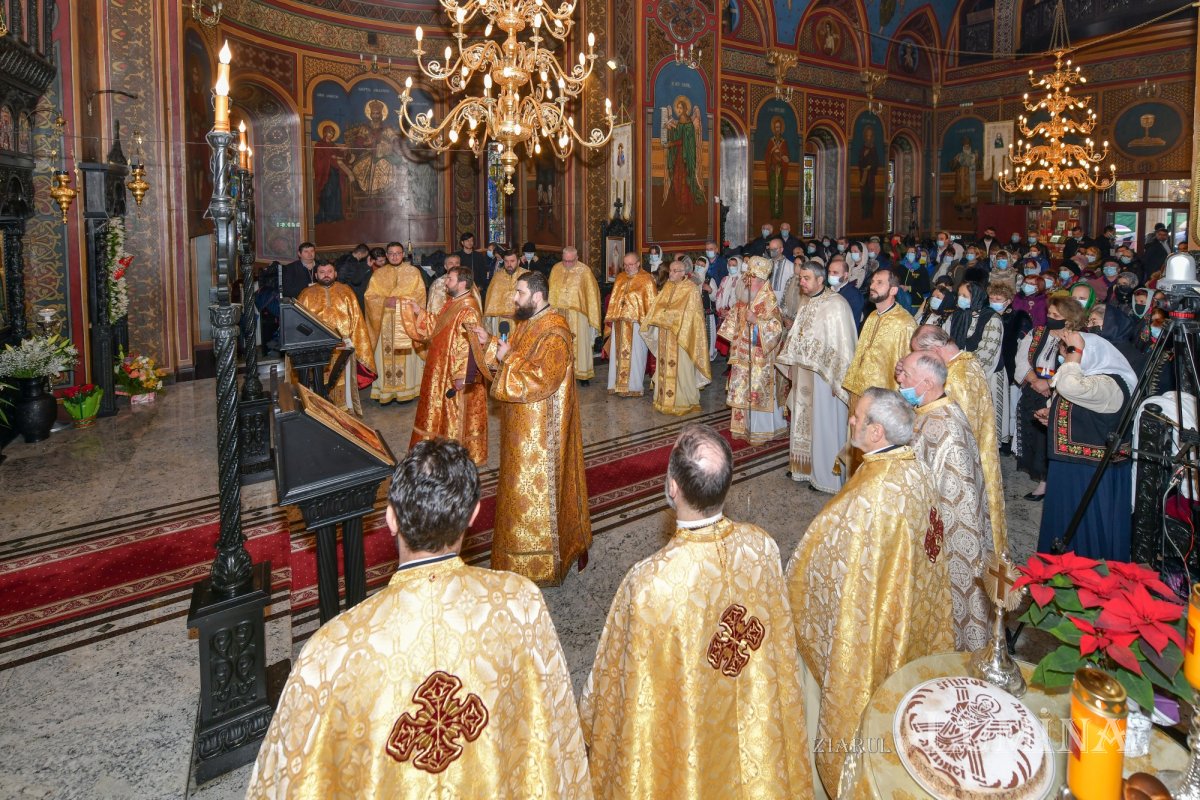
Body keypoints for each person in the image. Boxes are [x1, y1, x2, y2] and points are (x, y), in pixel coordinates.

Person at [245, 439, 592, 799]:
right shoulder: (522, 604)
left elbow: (288, 780)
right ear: (473, 515)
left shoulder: (333, 650)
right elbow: (557, 738)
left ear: (391, 518)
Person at [580, 424, 813, 798]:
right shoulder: (763, 546)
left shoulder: (650, 582)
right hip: (755, 719)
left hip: (689, 729)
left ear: (672, 487)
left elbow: (615, 682)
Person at [786, 388, 953, 796]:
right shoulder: (912, 467)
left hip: (872, 622)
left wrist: (790, 581)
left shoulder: (871, 498)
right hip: (907, 608)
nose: (851, 420)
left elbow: (823, 561)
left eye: (858, 417)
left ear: (877, 433)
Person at [473, 271, 591, 586]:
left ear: (537, 296)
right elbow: (509, 361)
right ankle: (513, 557)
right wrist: (490, 344)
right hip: (520, 429)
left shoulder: (555, 332)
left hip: (542, 437)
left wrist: (506, 355)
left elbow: (541, 379)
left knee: (536, 498)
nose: (514, 298)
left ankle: (539, 564)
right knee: (515, 492)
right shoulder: (527, 323)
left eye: (520, 292)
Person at [896, 352, 993, 651]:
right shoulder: (928, 411)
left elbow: (953, 501)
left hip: (946, 540)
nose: (900, 379)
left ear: (926, 383)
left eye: (906, 376)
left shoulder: (946, 427)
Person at [1035, 331, 1137, 561]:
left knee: (1085, 529)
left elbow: (1070, 387)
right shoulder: (1091, 378)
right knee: (1063, 521)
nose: (1068, 358)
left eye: (1071, 352)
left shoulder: (1111, 384)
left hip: (1091, 472)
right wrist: (1053, 416)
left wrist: (1075, 354)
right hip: (1071, 466)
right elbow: (1078, 403)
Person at [910, 325, 1008, 556]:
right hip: (982, 453)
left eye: (923, 355)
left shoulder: (953, 378)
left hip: (958, 464)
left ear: (935, 349)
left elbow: (940, 425)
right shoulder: (968, 360)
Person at [777, 260, 857, 492]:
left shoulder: (837, 305)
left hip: (824, 378)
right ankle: (802, 468)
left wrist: (841, 379)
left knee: (823, 425)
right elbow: (797, 337)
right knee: (803, 422)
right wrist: (791, 364)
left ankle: (826, 477)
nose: (801, 282)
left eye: (806, 278)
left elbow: (844, 347)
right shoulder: (806, 302)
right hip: (803, 373)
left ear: (820, 280)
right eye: (801, 278)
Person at [401, 267, 489, 465]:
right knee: (440, 412)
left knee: (455, 414)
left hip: (453, 373)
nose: (445, 282)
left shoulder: (469, 309)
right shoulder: (453, 302)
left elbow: (470, 344)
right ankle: (437, 451)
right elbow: (437, 325)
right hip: (440, 368)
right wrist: (419, 312)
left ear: (462, 283)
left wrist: (462, 375)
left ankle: (454, 457)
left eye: (450, 279)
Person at [1014, 294, 1086, 500]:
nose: (1050, 317)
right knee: (1034, 437)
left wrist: (1050, 384)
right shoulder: (1037, 334)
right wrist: (1035, 380)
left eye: (1056, 315)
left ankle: (1049, 482)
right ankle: (1041, 477)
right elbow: (1021, 359)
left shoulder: (1076, 339)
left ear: (1069, 319)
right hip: (1033, 390)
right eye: (1049, 313)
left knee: (1050, 439)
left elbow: (1076, 367)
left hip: (1060, 395)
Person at [718, 255, 788, 444]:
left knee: (757, 391)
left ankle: (762, 430)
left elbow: (776, 331)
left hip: (760, 360)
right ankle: (744, 427)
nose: (746, 282)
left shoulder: (769, 302)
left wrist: (756, 321)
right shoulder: (743, 300)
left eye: (751, 279)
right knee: (742, 390)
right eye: (746, 278)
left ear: (762, 281)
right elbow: (730, 327)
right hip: (742, 358)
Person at [296, 260, 376, 416]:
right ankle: (320, 410)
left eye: (329, 271)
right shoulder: (306, 294)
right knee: (318, 381)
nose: (326, 275)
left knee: (343, 384)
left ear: (335, 273)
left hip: (343, 346)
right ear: (316, 274)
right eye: (322, 272)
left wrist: (355, 343)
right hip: (317, 347)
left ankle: (344, 412)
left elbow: (357, 319)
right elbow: (300, 323)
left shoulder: (346, 291)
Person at [640, 260, 711, 416]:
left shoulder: (691, 289)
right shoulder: (668, 286)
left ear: (683, 273)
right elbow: (657, 307)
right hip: (665, 336)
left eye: (674, 271)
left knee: (681, 369)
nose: (670, 273)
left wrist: (667, 318)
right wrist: (658, 317)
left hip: (682, 338)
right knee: (664, 366)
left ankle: (683, 400)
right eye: (670, 270)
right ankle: (663, 400)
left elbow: (692, 315)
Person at [365, 242, 427, 404]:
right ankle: (386, 393)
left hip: (405, 321)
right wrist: (385, 301)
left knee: (406, 358)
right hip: (384, 321)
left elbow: (420, 295)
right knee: (384, 357)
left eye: (397, 253)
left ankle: (406, 391)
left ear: (403, 254)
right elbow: (369, 297)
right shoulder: (378, 274)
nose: (394, 256)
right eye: (391, 253)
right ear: (386, 255)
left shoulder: (413, 272)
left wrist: (400, 301)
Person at [843, 267, 916, 403]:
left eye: (879, 283)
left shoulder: (905, 323)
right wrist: (850, 383)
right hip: (858, 391)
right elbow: (860, 352)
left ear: (893, 290)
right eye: (872, 282)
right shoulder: (872, 316)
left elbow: (909, 366)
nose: (872, 286)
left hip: (883, 400)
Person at [604, 252, 657, 397]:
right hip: (620, 323)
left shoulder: (647, 280)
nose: (627, 267)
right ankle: (616, 385)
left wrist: (644, 320)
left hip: (636, 325)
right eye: (625, 264)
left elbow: (652, 304)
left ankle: (633, 387)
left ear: (638, 263)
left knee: (635, 357)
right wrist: (612, 318)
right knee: (617, 356)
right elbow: (615, 300)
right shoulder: (620, 278)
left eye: (631, 264)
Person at [989, 281, 1033, 454]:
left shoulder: (1019, 317)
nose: (994, 301)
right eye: (991, 298)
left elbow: (1024, 345)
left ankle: (1007, 440)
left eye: (998, 299)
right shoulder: (987, 315)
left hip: (1011, 366)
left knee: (1010, 406)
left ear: (1008, 300)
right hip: (994, 367)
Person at [549, 246, 602, 384]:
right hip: (559, 313)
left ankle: (582, 375)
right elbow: (551, 292)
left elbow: (592, 294)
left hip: (579, 315)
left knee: (580, 345)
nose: (567, 264)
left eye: (571, 261)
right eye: (565, 260)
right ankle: (559, 373)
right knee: (559, 343)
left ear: (577, 258)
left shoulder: (585, 271)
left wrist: (592, 316)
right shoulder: (556, 269)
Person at [945, 280, 1003, 372]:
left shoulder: (991, 318)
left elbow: (987, 352)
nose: (960, 298)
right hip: (955, 367)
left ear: (977, 296)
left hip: (979, 372)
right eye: (959, 295)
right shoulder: (956, 315)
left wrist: (964, 368)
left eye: (964, 296)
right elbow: (946, 340)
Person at [483, 249, 528, 335]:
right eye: (506, 261)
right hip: (500, 321)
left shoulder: (527, 276)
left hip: (521, 321)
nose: (509, 264)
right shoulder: (497, 276)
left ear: (518, 261)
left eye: (512, 261)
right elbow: (490, 302)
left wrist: (518, 315)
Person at [826, 257, 864, 328]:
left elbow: (852, 324)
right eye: (829, 272)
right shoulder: (827, 290)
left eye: (835, 272)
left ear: (845, 275)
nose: (831, 275)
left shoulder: (854, 295)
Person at [336, 243, 372, 311]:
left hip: (344, 291)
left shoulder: (343, 257)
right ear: (359, 254)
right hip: (350, 292)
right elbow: (354, 280)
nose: (365, 257)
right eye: (365, 255)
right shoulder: (351, 262)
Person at [455, 232, 491, 298]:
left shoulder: (479, 256)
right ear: (462, 242)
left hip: (477, 288)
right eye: (467, 240)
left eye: (471, 240)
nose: (470, 242)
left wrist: (481, 287)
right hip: (460, 289)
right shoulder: (457, 256)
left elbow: (483, 272)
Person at [766, 237, 792, 301]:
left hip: (781, 303)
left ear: (781, 249)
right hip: (766, 301)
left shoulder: (790, 266)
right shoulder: (766, 264)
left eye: (774, 249)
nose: (772, 251)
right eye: (770, 249)